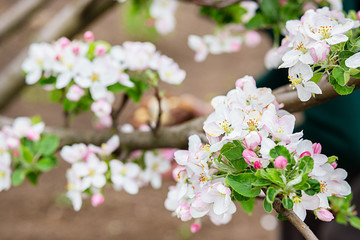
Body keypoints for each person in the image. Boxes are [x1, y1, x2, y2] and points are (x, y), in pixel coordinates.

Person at [256, 1, 360, 239]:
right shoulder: (296, 21)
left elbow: (351, 136)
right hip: (313, 159)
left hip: (340, 155)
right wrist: (236, 107)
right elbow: (285, 73)